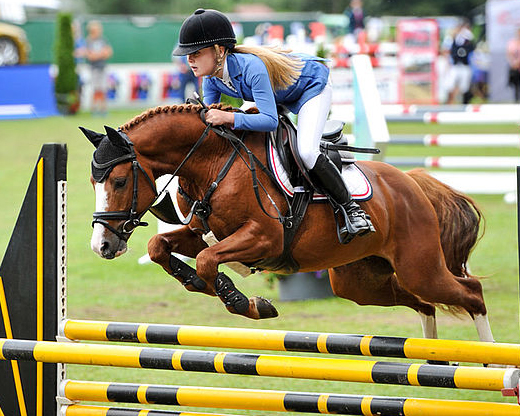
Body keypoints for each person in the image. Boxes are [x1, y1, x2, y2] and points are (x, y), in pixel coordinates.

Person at [172, 9, 374, 244]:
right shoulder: (211, 77)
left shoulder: (251, 68)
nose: (189, 60)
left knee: (307, 151)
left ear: (219, 50)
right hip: (278, 95)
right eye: (188, 54)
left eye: (196, 53)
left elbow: (269, 121)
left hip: (311, 87)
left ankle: (352, 210)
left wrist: (228, 118)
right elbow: (210, 118)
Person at [85, 20, 113, 116]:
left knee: (103, 89)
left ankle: (103, 110)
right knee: (96, 90)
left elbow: (109, 52)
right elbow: (90, 56)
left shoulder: (103, 40)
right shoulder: (88, 41)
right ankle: (94, 110)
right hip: (94, 68)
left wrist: (97, 54)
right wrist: (101, 53)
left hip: (102, 67)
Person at [445, 19, 475, 104]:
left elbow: (470, 49)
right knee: (450, 85)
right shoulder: (454, 39)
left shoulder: (468, 39)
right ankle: (449, 102)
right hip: (455, 65)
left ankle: (463, 103)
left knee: (464, 87)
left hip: (464, 66)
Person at [506, 28, 520, 103]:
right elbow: (509, 54)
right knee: (516, 85)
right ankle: (516, 100)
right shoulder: (512, 43)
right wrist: (514, 63)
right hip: (515, 66)